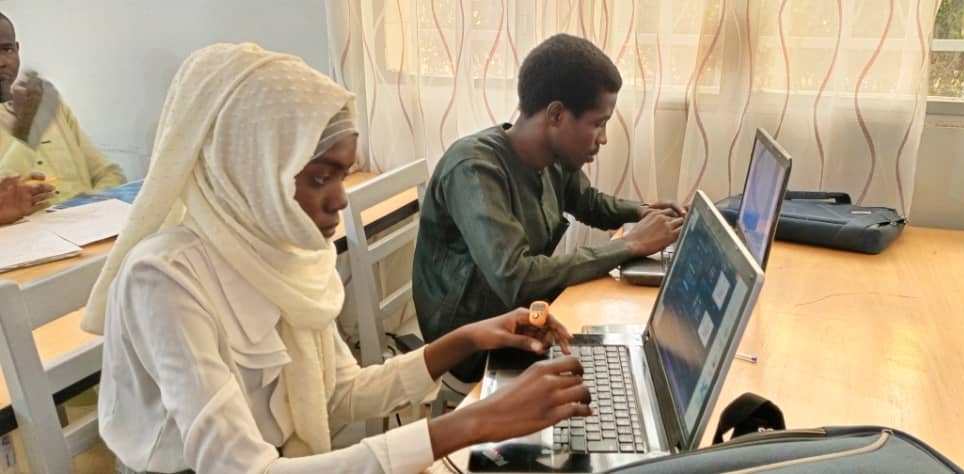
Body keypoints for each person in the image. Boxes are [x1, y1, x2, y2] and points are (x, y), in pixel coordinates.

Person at [82, 43, 590, 474]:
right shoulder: (165, 279)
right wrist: (473, 422)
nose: (340, 199)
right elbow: (241, 468)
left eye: (342, 175)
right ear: (253, 167)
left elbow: (338, 393)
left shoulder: (287, 252)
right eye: (319, 177)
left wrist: (466, 339)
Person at [413, 33, 684, 383]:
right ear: (556, 115)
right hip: (469, 341)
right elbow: (518, 279)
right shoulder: (474, 169)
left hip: (525, 312)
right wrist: (630, 245)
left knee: (626, 342)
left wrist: (644, 213)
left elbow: (589, 202)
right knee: (613, 368)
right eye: (598, 123)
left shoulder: (552, 159)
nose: (603, 138)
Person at [0, 12, 125, 206]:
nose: (2, 62)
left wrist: (90, 209)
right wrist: (26, 130)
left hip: (91, 219)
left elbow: (110, 173)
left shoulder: (52, 107)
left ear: (17, 49)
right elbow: (4, 201)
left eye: (7, 49)